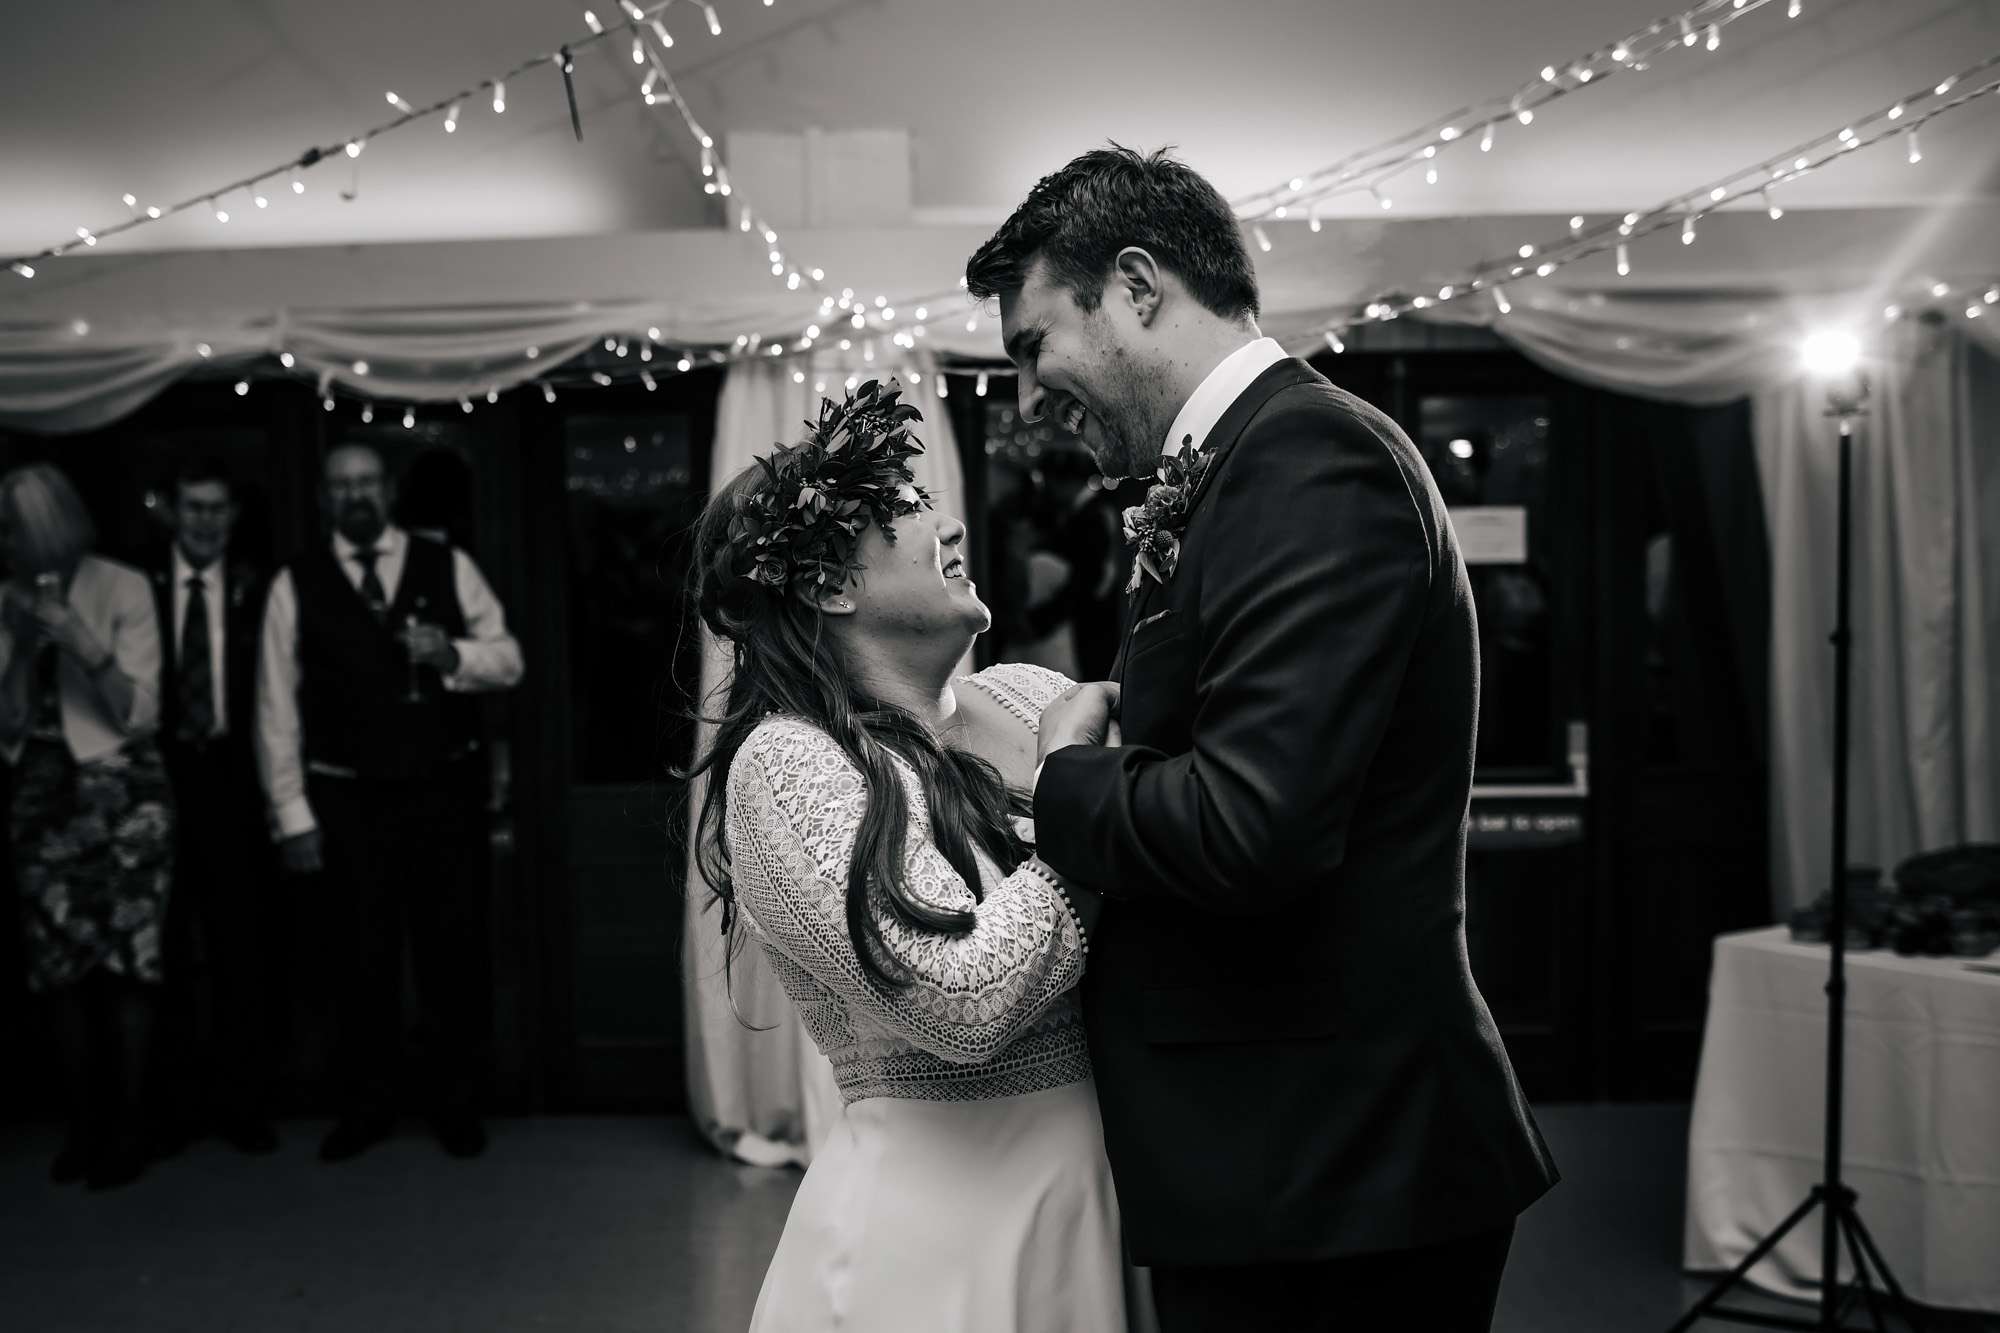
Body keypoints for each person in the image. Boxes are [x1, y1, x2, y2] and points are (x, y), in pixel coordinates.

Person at [968, 146, 1559, 1332]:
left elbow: (1253, 828)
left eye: (1033, 346)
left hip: (1337, 1171)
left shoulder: (1305, 459)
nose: (1026, 399)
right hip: (1279, 1159)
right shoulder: (1236, 466)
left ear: (1136, 286)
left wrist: (1064, 776)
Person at [685, 380, 1129, 1332]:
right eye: (909, 510)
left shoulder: (1023, 697)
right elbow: (963, 999)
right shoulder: (790, 762)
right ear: (832, 586)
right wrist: (1077, 788)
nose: (955, 525)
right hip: (931, 1234)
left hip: (1090, 1195)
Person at [256, 442, 522, 1162]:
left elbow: (510, 658)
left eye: (367, 481)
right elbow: (275, 710)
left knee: (452, 951)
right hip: (346, 799)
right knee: (358, 957)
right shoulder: (296, 583)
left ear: (388, 489)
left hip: (442, 790)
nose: (357, 496)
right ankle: (365, 1105)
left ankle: (456, 1101)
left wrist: (453, 657)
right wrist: (292, 816)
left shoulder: (447, 563)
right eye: (342, 486)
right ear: (325, 499)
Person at [0, 463, 174, 1190]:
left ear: (48, 525)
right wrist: (23, 649)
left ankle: (130, 1124)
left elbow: (139, 714)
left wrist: (78, 638)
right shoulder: (1, 598)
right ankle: (85, 1121)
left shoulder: (123, 586)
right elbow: (7, 722)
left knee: (128, 963)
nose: (3, 540)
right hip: (41, 795)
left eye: (12, 526)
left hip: (123, 792)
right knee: (58, 971)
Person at [149, 456, 280, 1156]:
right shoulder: (141, 583)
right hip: (162, 779)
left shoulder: (259, 586)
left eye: (215, 509)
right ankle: (173, 1106)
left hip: (234, 778)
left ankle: (242, 1104)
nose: (203, 521)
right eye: (192, 507)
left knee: (240, 950)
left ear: (232, 517)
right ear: (172, 511)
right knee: (166, 952)